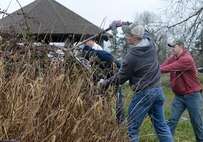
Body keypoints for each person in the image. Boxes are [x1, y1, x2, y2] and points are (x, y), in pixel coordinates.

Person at [102, 21, 173, 142]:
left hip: (144, 94)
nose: (126, 37)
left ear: (135, 38)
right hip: (158, 91)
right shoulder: (150, 43)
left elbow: (121, 77)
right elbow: (143, 29)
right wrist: (123, 23)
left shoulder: (132, 56)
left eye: (128, 35)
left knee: (132, 129)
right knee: (162, 127)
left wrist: (106, 82)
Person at [160, 41, 203, 141]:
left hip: (192, 96)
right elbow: (162, 66)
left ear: (181, 47)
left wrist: (155, 70)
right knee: (172, 120)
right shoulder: (173, 58)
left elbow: (168, 68)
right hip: (179, 96)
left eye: (173, 47)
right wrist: (151, 69)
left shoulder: (186, 59)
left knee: (196, 123)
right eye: (170, 47)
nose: (172, 49)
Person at [82, 42, 124, 124]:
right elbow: (95, 72)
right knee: (101, 98)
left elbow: (119, 68)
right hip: (104, 80)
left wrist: (111, 79)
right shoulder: (92, 60)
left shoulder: (103, 55)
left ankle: (120, 121)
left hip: (115, 79)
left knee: (117, 100)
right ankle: (103, 120)